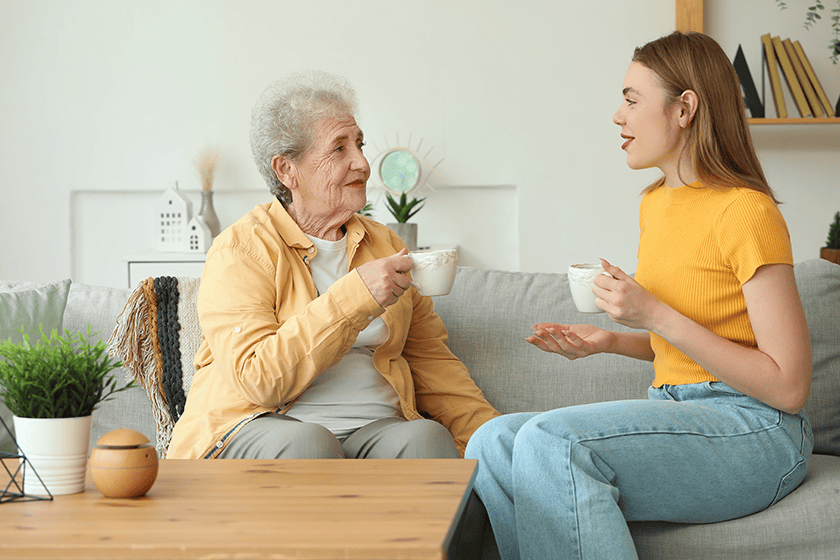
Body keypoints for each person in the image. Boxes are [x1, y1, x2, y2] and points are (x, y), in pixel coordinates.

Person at [465, 31, 814, 560]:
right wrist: (609, 340)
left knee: (551, 441)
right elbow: (696, 346)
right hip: (676, 409)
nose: (617, 116)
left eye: (631, 99)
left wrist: (652, 313)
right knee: (493, 442)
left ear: (685, 109)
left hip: (756, 428)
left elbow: (788, 387)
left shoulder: (746, 212)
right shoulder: (656, 204)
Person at [167, 71, 500, 462]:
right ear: (286, 170)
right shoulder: (241, 250)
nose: (361, 162)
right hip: (259, 426)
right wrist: (356, 296)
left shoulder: (385, 244)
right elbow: (259, 380)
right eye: (339, 149)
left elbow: (430, 361)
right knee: (311, 444)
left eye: (359, 144)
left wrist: (499, 439)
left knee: (426, 438)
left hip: (372, 432)